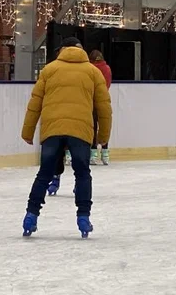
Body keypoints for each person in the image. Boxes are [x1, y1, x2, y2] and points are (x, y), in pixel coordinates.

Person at [20, 37, 112, 239]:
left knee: (44, 174)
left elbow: (35, 103)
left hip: (52, 130)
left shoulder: (49, 70)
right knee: (82, 174)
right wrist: (103, 136)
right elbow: (104, 107)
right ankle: (83, 217)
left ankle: (31, 215)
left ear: (62, 49)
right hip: (80, 131)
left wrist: (27, 132)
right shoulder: (93, 72)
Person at [88, 50, 113, 166]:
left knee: (92, 127)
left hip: (92, 101)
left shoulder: (90, 68)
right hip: (104, 100)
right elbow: (108, 83)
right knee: (104, 127)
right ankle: (105, 153)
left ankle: (93, 154)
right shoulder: (107, 68)